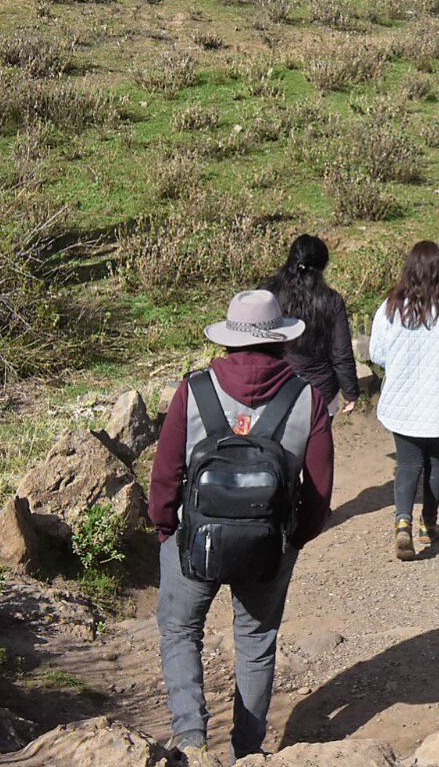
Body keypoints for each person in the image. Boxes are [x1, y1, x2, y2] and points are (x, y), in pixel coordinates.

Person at [149, 290, 334, 758]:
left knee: (180, 630)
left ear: (230, 340)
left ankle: (191, 742)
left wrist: (166, 530)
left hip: (195, 539)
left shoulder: (194, 390)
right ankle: (247, 752)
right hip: (269, 545)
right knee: (255, 641)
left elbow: (166, 473)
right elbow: (319, 490)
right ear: (280, 342)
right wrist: (293, 540)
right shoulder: (306, 397)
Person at [368, 240, 439, 561]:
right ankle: (429, 524)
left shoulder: (391, 305)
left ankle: (402, 522)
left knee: (407, 464)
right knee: (436, 463)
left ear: (410, 269)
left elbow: (377, 352)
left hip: (402, 400)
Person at [262, 234, 359, 417]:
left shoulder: (267, 292)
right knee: (318, 445)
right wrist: (350, 391)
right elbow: (341, 352)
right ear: (322, 267)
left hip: (275, 388)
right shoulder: (331, 300)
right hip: (320, 393)